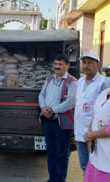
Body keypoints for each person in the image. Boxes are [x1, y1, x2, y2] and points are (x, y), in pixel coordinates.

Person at [38, 54, 78, 182]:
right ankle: (52, 178)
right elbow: (41, 94)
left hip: (63, 123)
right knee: (51, 153)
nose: (57, 67)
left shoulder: (72, 82)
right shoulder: (49, 79)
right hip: (48, 121)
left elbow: (70, 103)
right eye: (55, 64)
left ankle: (60, 179)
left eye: (60, 64)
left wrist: (52, 110)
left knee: (61, 154)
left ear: (67, 66)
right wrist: (43, 107)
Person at [74, 51, 105, 174]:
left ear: (98, 65)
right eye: (84, 62)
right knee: (84, 167)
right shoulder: (80, 82)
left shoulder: (103, 83)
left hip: (94, 135)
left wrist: (93, 132)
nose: (86, 65)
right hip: (80, 133)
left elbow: (104, 110)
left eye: (90, 63)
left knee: (96, 167)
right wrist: (75, 133)